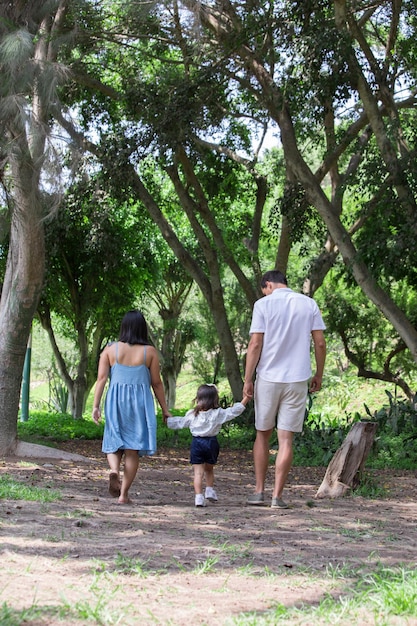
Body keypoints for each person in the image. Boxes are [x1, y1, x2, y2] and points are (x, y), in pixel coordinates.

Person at [243, 270, 326, 509]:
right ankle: (277, 497)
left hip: (268, 377)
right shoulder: (309, 304)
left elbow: (255, 343)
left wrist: (248, 379)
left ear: (267, 285)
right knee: (286, 439)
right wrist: (318, 373)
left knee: (262, 433)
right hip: (297, 378)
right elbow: (320, 342)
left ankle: (259, 491)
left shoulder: (262, 305)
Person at [92, 310, 171, 504]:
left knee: (113, 440)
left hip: (115, 401)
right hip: (139, 404)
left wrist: (96, 406)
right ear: (142, 329)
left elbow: (101, 379)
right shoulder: (149, 352)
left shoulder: (110, 350)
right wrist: (165, 409)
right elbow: (157, 383)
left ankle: (113, 470)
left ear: (124, 328)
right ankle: (123, 495)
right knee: (132, 450)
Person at [167, 384, 250, 507]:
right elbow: (233, 411)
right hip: (211, 443)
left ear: (198, 398)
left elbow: (180, 422)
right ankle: (209, 490)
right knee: (209, 469)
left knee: (198, 473)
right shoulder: (218, 413)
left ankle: (198, 497)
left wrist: (168, 419)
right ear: (215, 399)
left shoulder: (192, 414)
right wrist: (246, 398)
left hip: (197, 443)